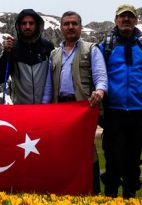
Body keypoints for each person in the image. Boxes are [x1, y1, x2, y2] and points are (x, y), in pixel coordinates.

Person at [42, 11, 107, 195]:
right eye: (67, 24)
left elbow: (100, 76)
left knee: (86, 149)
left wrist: (100, 91)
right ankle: (64, 190)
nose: (70, 27)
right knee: (61, 149)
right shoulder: (54, 54)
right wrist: (44, 110)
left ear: (80, 27)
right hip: (59, 109)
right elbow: (48, 86)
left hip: (82, 109)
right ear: (61, 28)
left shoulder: (91, 49)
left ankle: (92, 190)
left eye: (74, 24)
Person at [99, 4, 142, 198]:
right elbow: (97, 76)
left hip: (136, 112)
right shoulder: (105, 46)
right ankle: (110, 198)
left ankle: (130, 200)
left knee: (133, 159)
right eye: (122, 17)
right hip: (113, 112)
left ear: (136, 21)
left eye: (130, 17)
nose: (126, 20)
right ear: (116, 20)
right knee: (113, 157)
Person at [0, 9, 55, 104]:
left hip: (45, 108)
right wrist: (6, 53)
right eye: (24, 23)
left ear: (37, 25)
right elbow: (0, 78)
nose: (27, 27)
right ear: (18, 26)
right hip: (20, 110)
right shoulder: (13, 48)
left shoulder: (47, 48)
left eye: (31, 23)